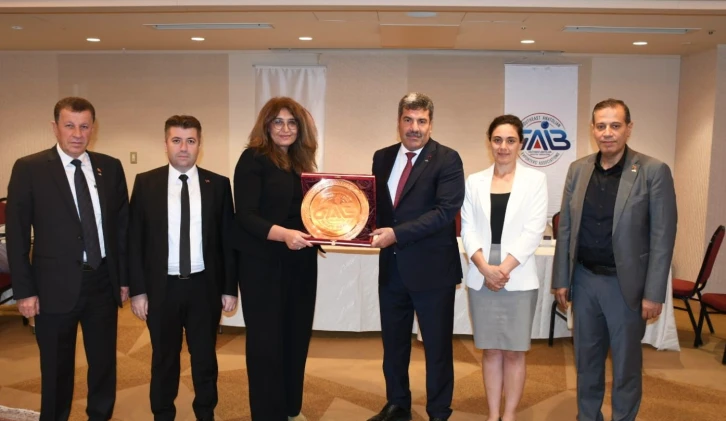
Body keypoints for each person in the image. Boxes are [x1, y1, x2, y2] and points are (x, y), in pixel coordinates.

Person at [552, 98, 677, 421]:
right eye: (601, 126)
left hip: (626, 287)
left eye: (615, 125)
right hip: (584, 281)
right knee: (586, 361)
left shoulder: (653, 171)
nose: (607, 132)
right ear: (593, 129)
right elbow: (565, 229)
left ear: (628, 129)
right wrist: (561, 280)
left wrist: (653, 293)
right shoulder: (578, 170)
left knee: (626, 365)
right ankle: (587, 416)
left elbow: (662, 238)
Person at [6, 97, 129, 421]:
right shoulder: (29, 168)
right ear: (55, 127)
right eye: (69, 125)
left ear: (93, 128)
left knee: (103, 364)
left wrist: (123, 279)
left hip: (102, 281)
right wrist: (24, 291)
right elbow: (17, 235)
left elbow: (121, 229)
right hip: (52, 287)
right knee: (56, 369)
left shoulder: (110, 167)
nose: (77, 133)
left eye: (84, 126)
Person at [128, 115, 237, 421]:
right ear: (166, 144)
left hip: (204, 286)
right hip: (162, 287)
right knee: (164, 358)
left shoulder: (218, 184)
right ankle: (163, 413)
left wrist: (229, 288)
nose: (184, 148)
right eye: (176, 140)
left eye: (190, 141)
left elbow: (227, 242)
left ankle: (205, 412)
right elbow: (134, 241)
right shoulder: (146, 183)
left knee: (204, 357)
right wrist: (138, 291)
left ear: (199, 144)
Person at [369, 92, 465, 421]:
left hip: (433, 271)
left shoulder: (447, 159)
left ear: (430, 124)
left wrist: (397, 234)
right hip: (392, 268)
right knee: (394, 344)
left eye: (421, 121)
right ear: (398, 122)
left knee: (437, 347)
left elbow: (444, 212)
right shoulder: (382, 157)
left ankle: (438, 411)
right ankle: (398, 404)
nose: (414, 127)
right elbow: (376, 207)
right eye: (408, 120)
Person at [233, 97, 319, 421]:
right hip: (263, 264)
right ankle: (268, 413)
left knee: (296, 336)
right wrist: (284, 235)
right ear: (266, 126)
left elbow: (312, 214)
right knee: (266, 342)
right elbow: (246, 215)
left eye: (292, 122)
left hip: (300, 263)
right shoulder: (252, 159)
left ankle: (290, 407)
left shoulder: (301, 163)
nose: (286, 128)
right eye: (278, 122)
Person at [460, 115, 548, 421]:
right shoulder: (475, 181)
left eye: (510, 140)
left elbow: (534, 231)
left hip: (518, 276)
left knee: (513, 350)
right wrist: (485, 268)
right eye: (497, 140)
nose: (503, 147)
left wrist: (503, 269)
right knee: (490, 349)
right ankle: (492, 413)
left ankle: (509, 415)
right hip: (481, 274)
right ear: (490, 143)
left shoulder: (535, 180)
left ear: (520, 143)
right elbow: (468, 229)